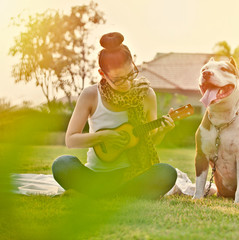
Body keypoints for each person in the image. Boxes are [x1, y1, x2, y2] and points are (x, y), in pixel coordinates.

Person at [52, 32, 177, 198]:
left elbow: (149, 141)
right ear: (102, 74)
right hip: (95, 174)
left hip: (131, 175)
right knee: (62, 164)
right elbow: (71, 139)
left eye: (130, 75)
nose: (126, 83)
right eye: (118, 79)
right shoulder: (90, 95)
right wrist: (103, 137)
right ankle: (121, 195)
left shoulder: (146, 94)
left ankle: (100, 194)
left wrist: (162, 132)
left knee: (167, 172)